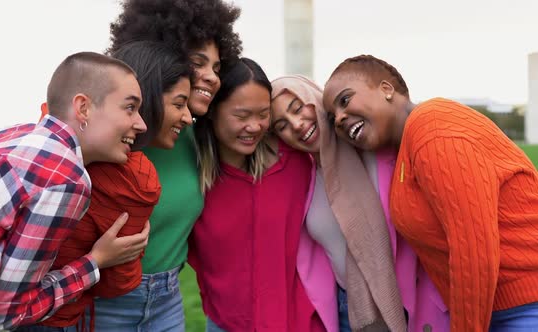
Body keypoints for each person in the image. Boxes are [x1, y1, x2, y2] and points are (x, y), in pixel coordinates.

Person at [323, 54, 538, 331]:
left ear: (386, 89)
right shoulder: (408, 147)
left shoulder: (433, 128)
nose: (339, 118)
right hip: (499, 311)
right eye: (332, 118)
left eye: (345, 100)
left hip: (527, 307)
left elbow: (473, 252)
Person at [0, 52, 150, 331]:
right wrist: (95, 261)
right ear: (84, 108)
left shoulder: (2, 136)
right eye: (130, 108)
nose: (141, 124)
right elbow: (6, 314)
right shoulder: (65, 177)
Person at [95, 0, 242, 329]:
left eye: (217, 68)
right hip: (105, 299)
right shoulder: (112, 138)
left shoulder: (200, 136)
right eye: (198, 63)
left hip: (167, 298)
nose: (211, 77)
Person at [271, 75, 449, 331]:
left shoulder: (379, 150)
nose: (297, 124)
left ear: (315, 98)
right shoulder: (305, 177)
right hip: (351, 313)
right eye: (281, 125)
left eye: (298, 108)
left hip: (416, 301)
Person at [188, 58, 335, 332]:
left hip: (300, 323)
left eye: (263, 114)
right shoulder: (192, 178)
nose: (255, 126)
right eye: (241, 116)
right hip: (224, 324)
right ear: (212, 112)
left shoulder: (295, 163)